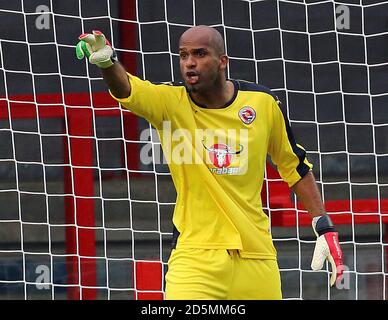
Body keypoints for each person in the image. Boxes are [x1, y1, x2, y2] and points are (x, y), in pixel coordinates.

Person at [76, 26, 344, 300]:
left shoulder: (262, 103)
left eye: (200, 54)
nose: (189, 62)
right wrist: (108, 61)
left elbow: (294, 166)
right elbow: (128, 89)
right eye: (183, 55)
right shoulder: (169, 103)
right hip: (195, 260)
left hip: (257, 258)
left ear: (222, 61)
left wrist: (323, 226)